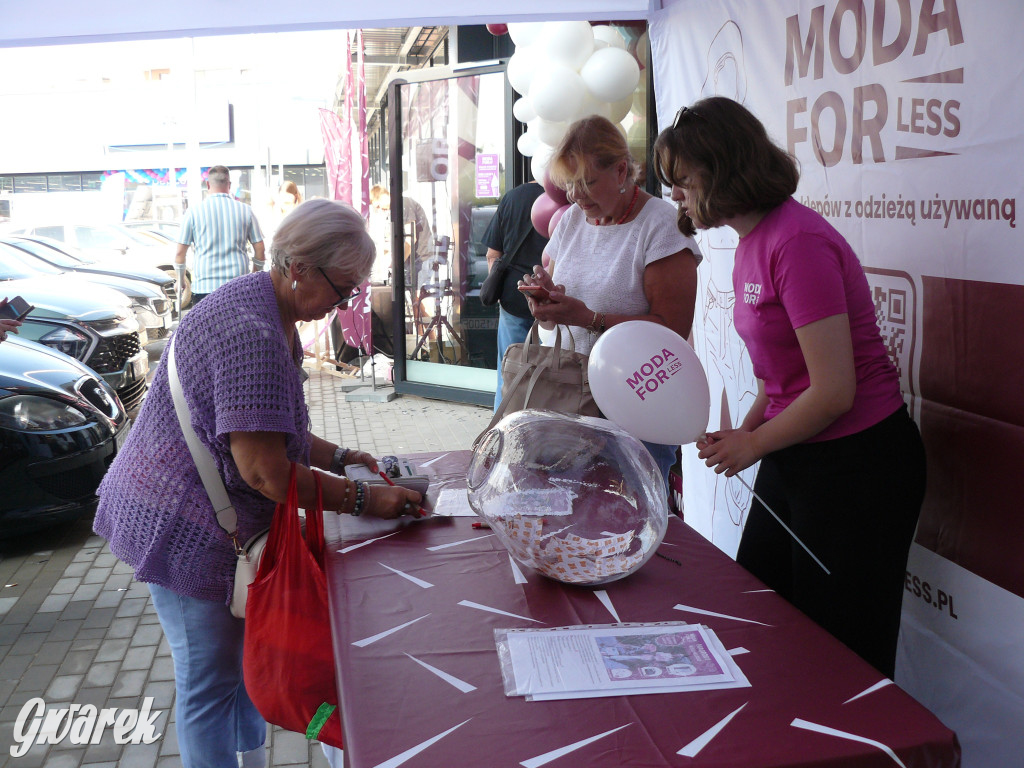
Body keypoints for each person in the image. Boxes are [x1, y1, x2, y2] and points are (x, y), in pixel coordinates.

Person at [94, 199, 423, 768]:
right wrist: (368, 498)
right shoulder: (252, 332)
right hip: (179, 523)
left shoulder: (267, 308)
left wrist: (343, 456)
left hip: (197, 510)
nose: (343, 304)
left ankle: (248, 756)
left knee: (240, 659)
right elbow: (265, 473)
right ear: (299, 268)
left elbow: (273, 433)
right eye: (342, 288)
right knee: (207, 677)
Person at [653, 96, 924, 677]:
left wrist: (753, 445)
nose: (674, 193)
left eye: (681, 179)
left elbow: (833, 392)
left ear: (721, 167)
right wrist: (748, 429)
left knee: (844, 652)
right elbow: (779, 380)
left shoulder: (795, 242)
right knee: (766, 616)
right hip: (800, 453)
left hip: (859, 464)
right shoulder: (751, 241)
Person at [520, 115, 702, 487]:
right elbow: (558, 294)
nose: (575, 196)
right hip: (567, 396)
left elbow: (672, 331)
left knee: (629, 520)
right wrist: (545, 303)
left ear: (622, 172)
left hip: (635, 400)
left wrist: (589, 318)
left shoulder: (660, 226)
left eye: (587, 182)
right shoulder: (573, 219)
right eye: (569, 184)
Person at [481, 180, 549, 409]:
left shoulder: (513, 197)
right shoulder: (569, 199)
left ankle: (502, 431)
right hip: (552, 301)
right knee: (554, 375)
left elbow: (492, 254)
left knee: (509, 373)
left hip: (513, 298)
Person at [176, 165, 265, 305]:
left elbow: (180, 254)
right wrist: (254, 275)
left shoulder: (193, 212)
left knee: (208, 327)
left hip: (204, 289)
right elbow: (260, 249)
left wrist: (180, 280)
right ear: (229, 185)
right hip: (239, 287)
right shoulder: (246, 211)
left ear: (207, 184)